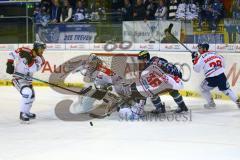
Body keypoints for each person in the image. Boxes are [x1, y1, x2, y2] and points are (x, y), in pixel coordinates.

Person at [6, 41, 46, 122]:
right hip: (18, 78)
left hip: (28, 81)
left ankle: (27, 112)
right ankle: (22, 113)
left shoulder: (41, 59)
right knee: (27, 93)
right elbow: (12, 54)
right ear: (36, 48)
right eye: (41, 49)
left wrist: (29, 59)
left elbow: (33, 69)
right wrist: (9, 64)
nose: (43, 51)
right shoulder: (24, 50)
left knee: (32, 97)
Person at [192, 43, 240, 108]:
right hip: (221, 75)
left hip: (211, 79)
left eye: (200, 48)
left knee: (202, 88)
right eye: (198, 48)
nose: (198, 50)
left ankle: (211, 103)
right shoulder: (215, 53)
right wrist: (219, 69)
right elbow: (222, 60)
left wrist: (194, 59)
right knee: (226, 90)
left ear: (205, 49)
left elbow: (196, 69)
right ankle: (238, 102)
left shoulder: (201, 57)